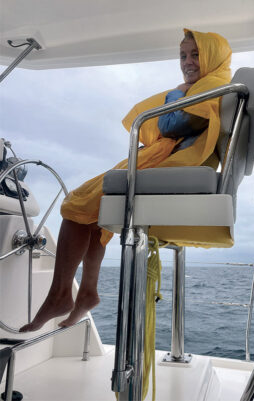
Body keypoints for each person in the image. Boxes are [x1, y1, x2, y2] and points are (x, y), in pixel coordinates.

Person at [19, 29, 232, 332]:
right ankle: (87, 293)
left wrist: (177, 91)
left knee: (75, 204)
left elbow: (171, 125)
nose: (187, 62)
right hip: (172, 162)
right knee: (91, 213)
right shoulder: (209, 86)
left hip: (171, 165)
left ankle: (60, 294)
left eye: (196, 54)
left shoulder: (211, 87)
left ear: (213, 56)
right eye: (183, 56)